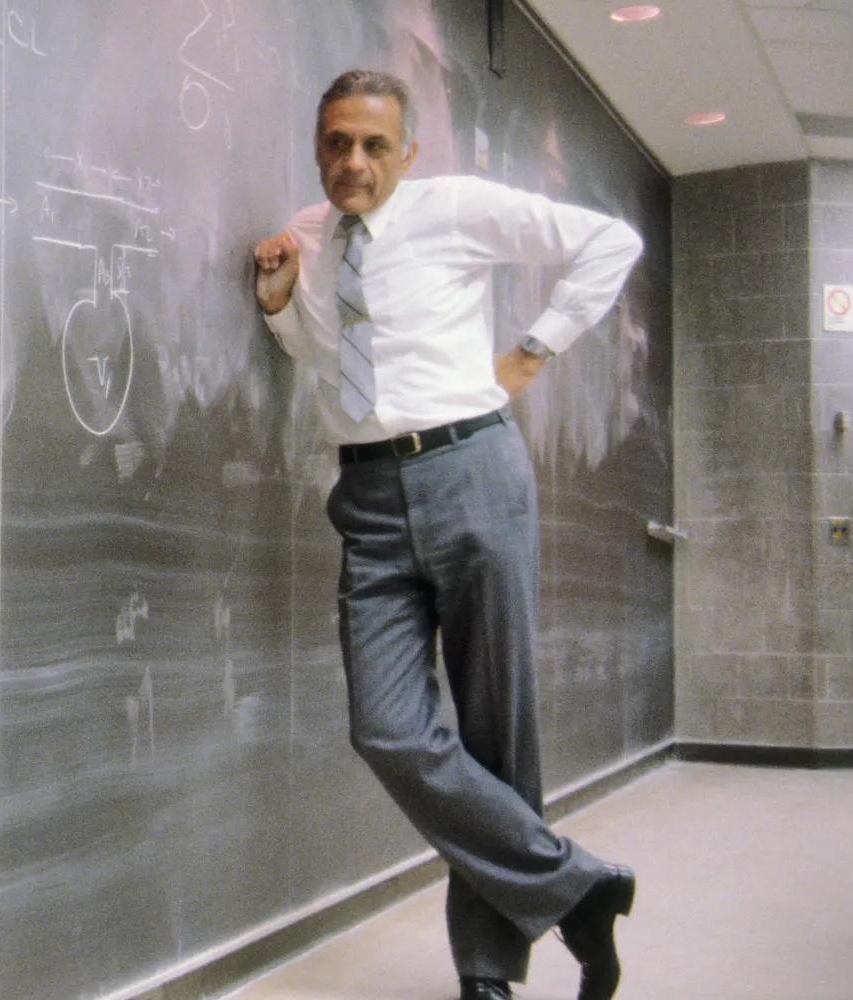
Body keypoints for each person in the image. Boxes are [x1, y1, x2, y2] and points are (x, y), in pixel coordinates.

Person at [254, 69, 643, 1000]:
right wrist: (276, 301)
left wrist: (533, 348)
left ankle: (487, 973)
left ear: (408, 152)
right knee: (388, 730)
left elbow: (609, 241)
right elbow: (322, 354)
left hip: (471, 472)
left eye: (374, 146)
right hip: (369, 499)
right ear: (317, 144)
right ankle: (579, 890)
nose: (353, 162)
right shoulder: (311, 235)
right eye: (337, 142)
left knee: (495, 726)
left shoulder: (455, 208)